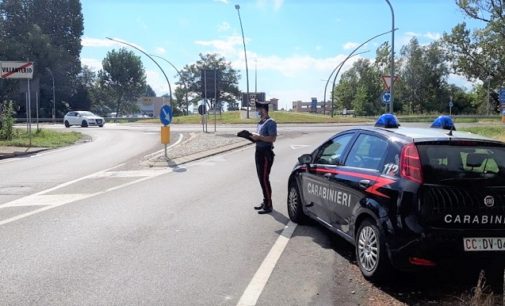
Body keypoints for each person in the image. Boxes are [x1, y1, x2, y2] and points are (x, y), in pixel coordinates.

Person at [250, 101, 277, 214]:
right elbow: (260, 138)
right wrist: (250, 137)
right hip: (259, 152)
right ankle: (265, 201)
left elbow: (272, 138)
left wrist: (259, 137)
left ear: (264, 109)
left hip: (266, 153)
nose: (257, 111)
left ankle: (268, 205)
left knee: (264, 179)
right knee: (261, 179)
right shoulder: (261, 122)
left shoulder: (271, 122)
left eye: (258, 109)